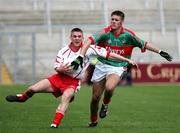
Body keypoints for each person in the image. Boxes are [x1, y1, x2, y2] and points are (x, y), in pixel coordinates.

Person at [5, 28, 138, 128]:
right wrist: (61, 69)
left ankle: (54, 124)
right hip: (58, 78)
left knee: (66, 97)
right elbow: (56, 67)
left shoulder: (90, 49)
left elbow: (110, 54)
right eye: (74, 36)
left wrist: (127, 59)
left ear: (82, 37)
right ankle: (22, 98)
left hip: (72, 82)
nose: (77, 38)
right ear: (70, 37)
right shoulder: (63, 50)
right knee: (32, 89)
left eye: (79, 36)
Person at [71, 10, 173, 127]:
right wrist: (80, 56)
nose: (113, 22)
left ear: (122, 22)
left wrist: (160, 51)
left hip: (118, 67)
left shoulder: (128, 35)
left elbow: (144, 44)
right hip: (101, 65)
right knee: (95, 98)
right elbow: (88, 41)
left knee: (109, 87)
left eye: (116, 20)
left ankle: (105, 105)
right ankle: (93, 121)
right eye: (112, 19)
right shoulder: (104, 32)